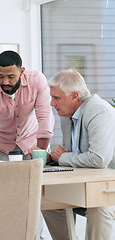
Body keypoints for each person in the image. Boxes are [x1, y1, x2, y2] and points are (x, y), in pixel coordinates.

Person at [41, 69, 115, 240]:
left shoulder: (99, 111)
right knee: (49, 198)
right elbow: (72, 153)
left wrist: (63, 157)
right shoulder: (67, 114)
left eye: (56, 98)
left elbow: (99, 159)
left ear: (74, 96)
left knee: (99, 208)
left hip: (108, 188)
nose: (52, 103)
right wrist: (53, 158)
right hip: (88, 183)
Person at [0, 50, 54, 160]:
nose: (5, 82)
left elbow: (45, 118)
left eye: (11, 77)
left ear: (22, 71)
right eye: (0, 76)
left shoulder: (37, 80)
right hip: (0, 143)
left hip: (30, 141)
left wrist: (40, 154)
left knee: (34, 175)